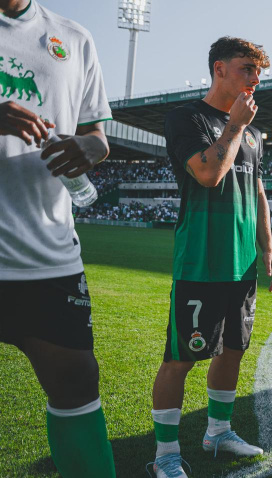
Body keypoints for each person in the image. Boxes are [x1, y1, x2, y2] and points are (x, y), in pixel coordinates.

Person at [151, 37, 272, 478]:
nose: (254, 79)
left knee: (234, 350)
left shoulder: (256, 132)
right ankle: (166, 454)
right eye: (246, 69)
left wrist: (268, 248)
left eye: (258, 72)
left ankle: (218, 432)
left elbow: (257, 190)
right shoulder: (186, 117)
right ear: (219, 68)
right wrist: (235, 127)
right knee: (181, 358)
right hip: (201, 260)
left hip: (241, 263)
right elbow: (207, 173)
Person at [0, 1, 116, 476]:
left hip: (45, 249)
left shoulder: (74, 37)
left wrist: (90, 147)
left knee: (75, 382)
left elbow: (97, 135)